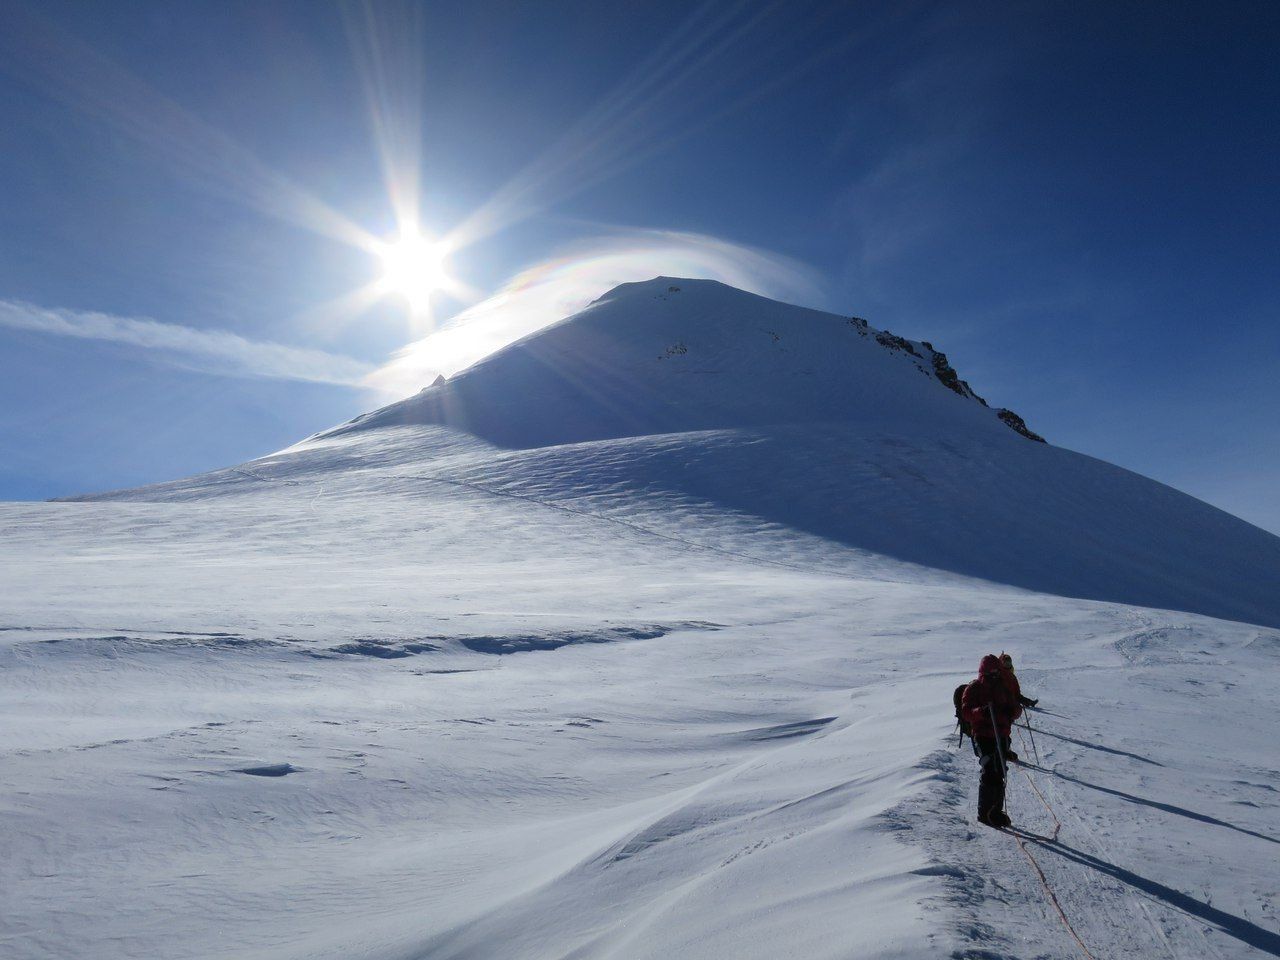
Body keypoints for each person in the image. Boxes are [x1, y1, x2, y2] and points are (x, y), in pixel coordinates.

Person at [961, 654, 1024, 828]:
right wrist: (982, 712)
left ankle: (996, 811)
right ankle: (985, 813)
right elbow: (966, 711)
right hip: (983, 736)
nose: (995, 675)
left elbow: (1015, 708)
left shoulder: (1002, 687)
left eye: (997, 671)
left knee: (1001, 771)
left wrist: (1012, 711)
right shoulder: (974, 688)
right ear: (984, 672)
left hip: (1002, 734)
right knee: (989, 769)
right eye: (991, 672)